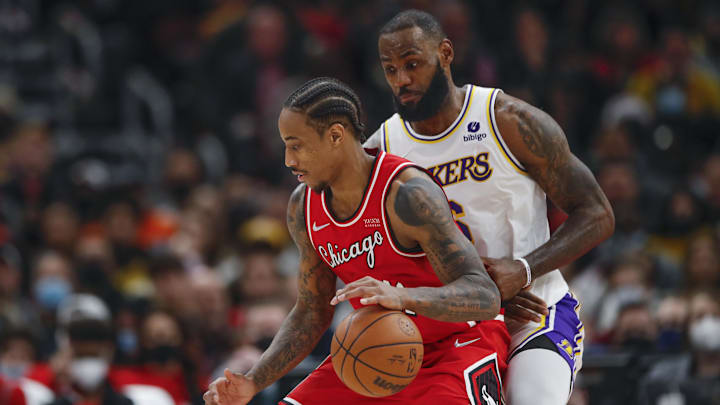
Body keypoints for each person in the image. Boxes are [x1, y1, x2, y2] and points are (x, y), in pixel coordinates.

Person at [204, 77, 519, 405]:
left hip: (455, 345)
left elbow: (485, 296)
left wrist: (401, 297)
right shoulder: (303, 207)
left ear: (336, 136)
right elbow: (312, 311)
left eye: (296, 145)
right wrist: (253, 381)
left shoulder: (407, 194)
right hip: (372, 353)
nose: (288, 160)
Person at [363, 10, 615, 405]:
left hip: (532, 315)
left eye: (412, 64)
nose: (401, 80)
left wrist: (524, 268)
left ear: (445, 53)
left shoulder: (508, 121)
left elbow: (597, 213)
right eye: (390, 69)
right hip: (452, 327)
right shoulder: (382, 149)